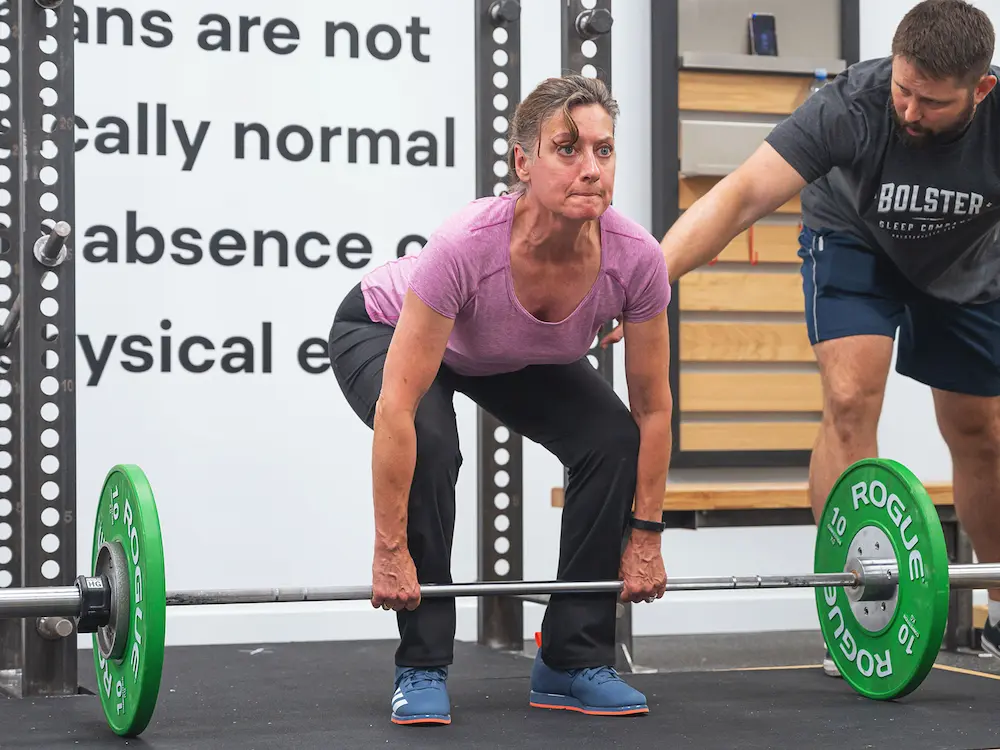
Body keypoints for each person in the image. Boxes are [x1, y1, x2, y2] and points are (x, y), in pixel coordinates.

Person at [604, 0, 1000, 676]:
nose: (909, 111)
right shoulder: (851, 106)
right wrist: (645, 284)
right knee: (850, 400)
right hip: (853, 241)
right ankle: (857, 611)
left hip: (964, 260)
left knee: (981, 431)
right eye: (903, 89)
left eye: (932, 102)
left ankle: (998, 601)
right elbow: (740, 196)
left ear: (981, 88)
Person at [327, 74, 673, 726]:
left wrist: (646, 534)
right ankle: (422, 664)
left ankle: (571, 660)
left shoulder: (636, 259)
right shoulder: (467, 244)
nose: (591, 168)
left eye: (603, 150)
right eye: (567, 149)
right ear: (523, 161)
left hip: (502, 352)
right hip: (383, 328)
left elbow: (652, 409)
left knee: (610, 439)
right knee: (432, 442)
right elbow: (397, 407)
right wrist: (389, 548)